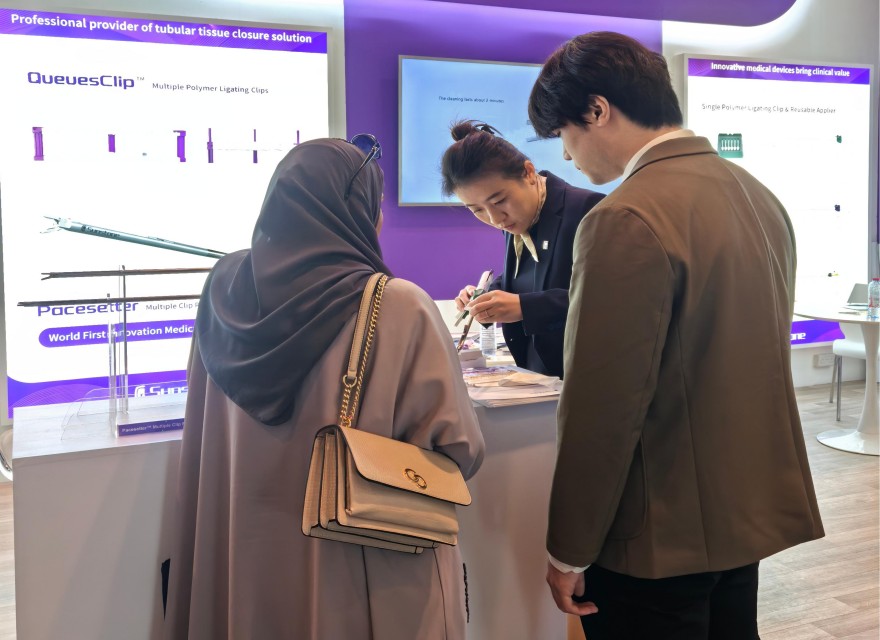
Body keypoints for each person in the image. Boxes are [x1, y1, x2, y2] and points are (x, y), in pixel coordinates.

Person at [527, 32, 824, 639]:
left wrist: (569, 547)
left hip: (656, 532)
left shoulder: (623, 217)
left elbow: (602, 406)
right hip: (741, 514)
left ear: (597, 110)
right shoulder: (759, 196)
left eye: (562, 134)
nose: (567, 156)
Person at [164, 137, 485, 640]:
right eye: (376, 205)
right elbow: (458, 449)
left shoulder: (223, 286)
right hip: (357, 561)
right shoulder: (398, 306)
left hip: (240, 554)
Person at [441, 120, 603, 378]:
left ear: (528, 172)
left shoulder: (588, 210)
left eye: (499, 200)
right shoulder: (518, 218)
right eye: (477, 210)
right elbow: (526, 277)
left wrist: (524, 307)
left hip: (584, 376)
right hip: (536, 376)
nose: (495, 219)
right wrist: (486, 297)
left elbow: (608, 300)